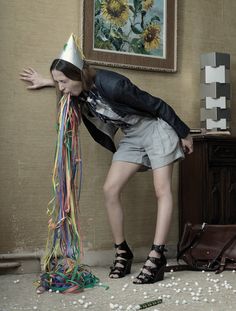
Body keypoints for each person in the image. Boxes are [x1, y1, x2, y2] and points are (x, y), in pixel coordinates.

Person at [20, 34, 193, 285]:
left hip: (156, 129)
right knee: (110, 189)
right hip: (133, 135)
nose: (61, 87)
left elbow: (156, 105)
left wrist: (184, 132)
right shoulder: (79, 90)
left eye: (63, 81)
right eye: (58, 82)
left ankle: (157, 256)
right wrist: (46, 81)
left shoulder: (113, 84)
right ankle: (123, 251)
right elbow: (69, 87)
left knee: (161, 190)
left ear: (79, 75)